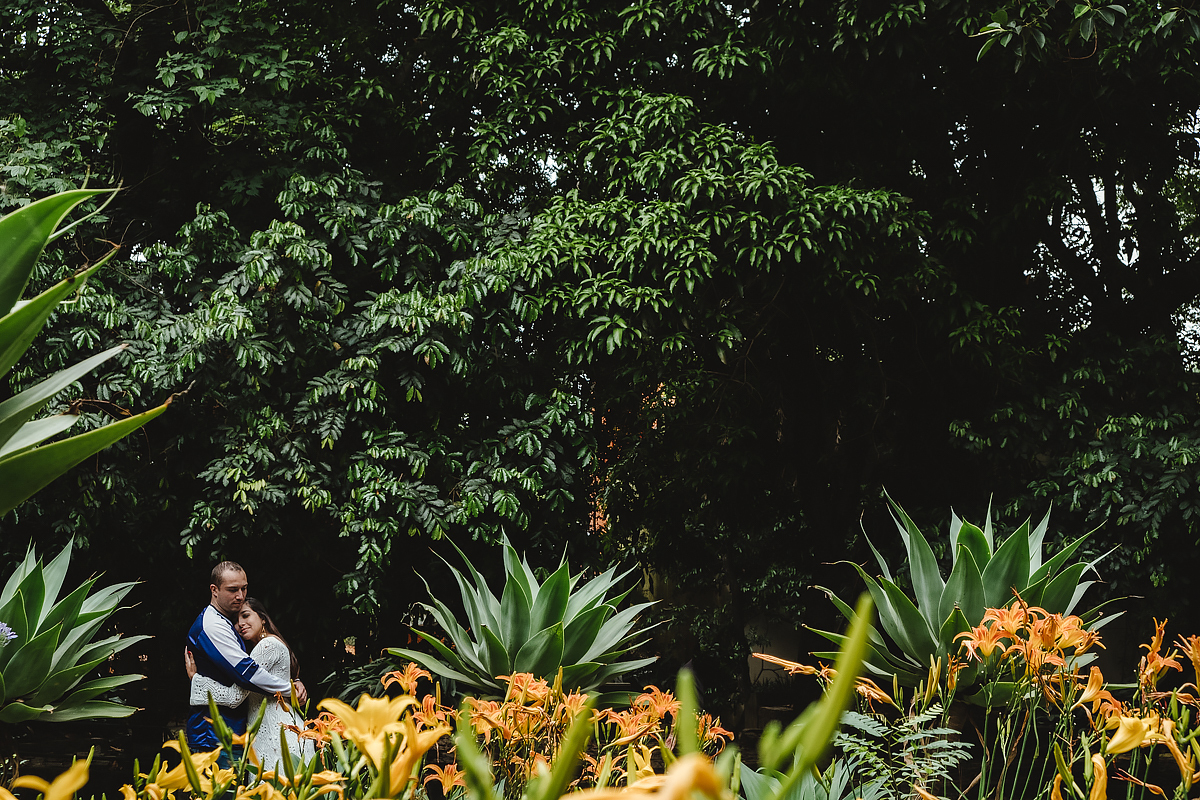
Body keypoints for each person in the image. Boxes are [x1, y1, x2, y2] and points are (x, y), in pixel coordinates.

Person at [185, 561, 307, 765]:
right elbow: (247, 674)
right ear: (214, 590)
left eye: (244, 588)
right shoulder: (213, 625)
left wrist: (294, 681)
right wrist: (290, 689)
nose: (240, 596)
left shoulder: (228, 621)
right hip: (214, 736)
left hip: (232, 734)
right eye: (233, 590)